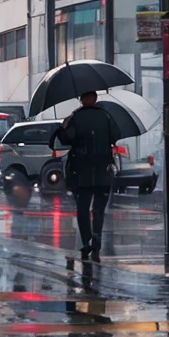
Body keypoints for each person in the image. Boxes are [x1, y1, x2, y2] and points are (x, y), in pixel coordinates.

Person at [49, 91, 121, 261]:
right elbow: (115, 136)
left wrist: (63, 126)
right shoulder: (106, 116)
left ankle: (87, 241)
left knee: (82, 209)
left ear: (82, 100)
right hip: (103, 171)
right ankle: (97, 238)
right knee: (99, 210)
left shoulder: (76, 118)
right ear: (95, 99)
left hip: (82, 173)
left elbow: (66, 139)